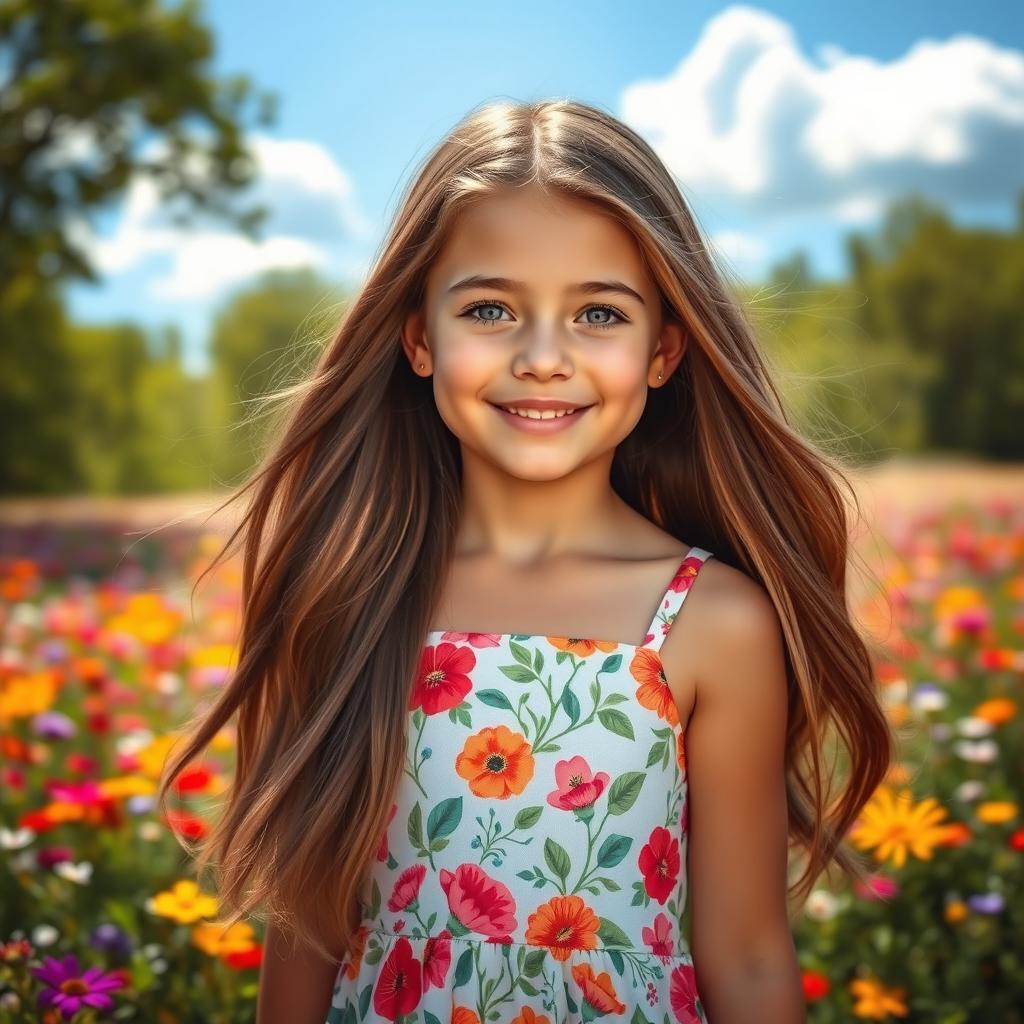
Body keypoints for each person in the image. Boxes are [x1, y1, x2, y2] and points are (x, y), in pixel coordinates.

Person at [159, 98, 895, 1024]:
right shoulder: (351, 595)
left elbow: (745, 956)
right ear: (419, 338)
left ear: (663, 350)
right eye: (491, 309)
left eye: (598, 312)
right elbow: (306, 926)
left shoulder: (714, 621)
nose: (544, 357)